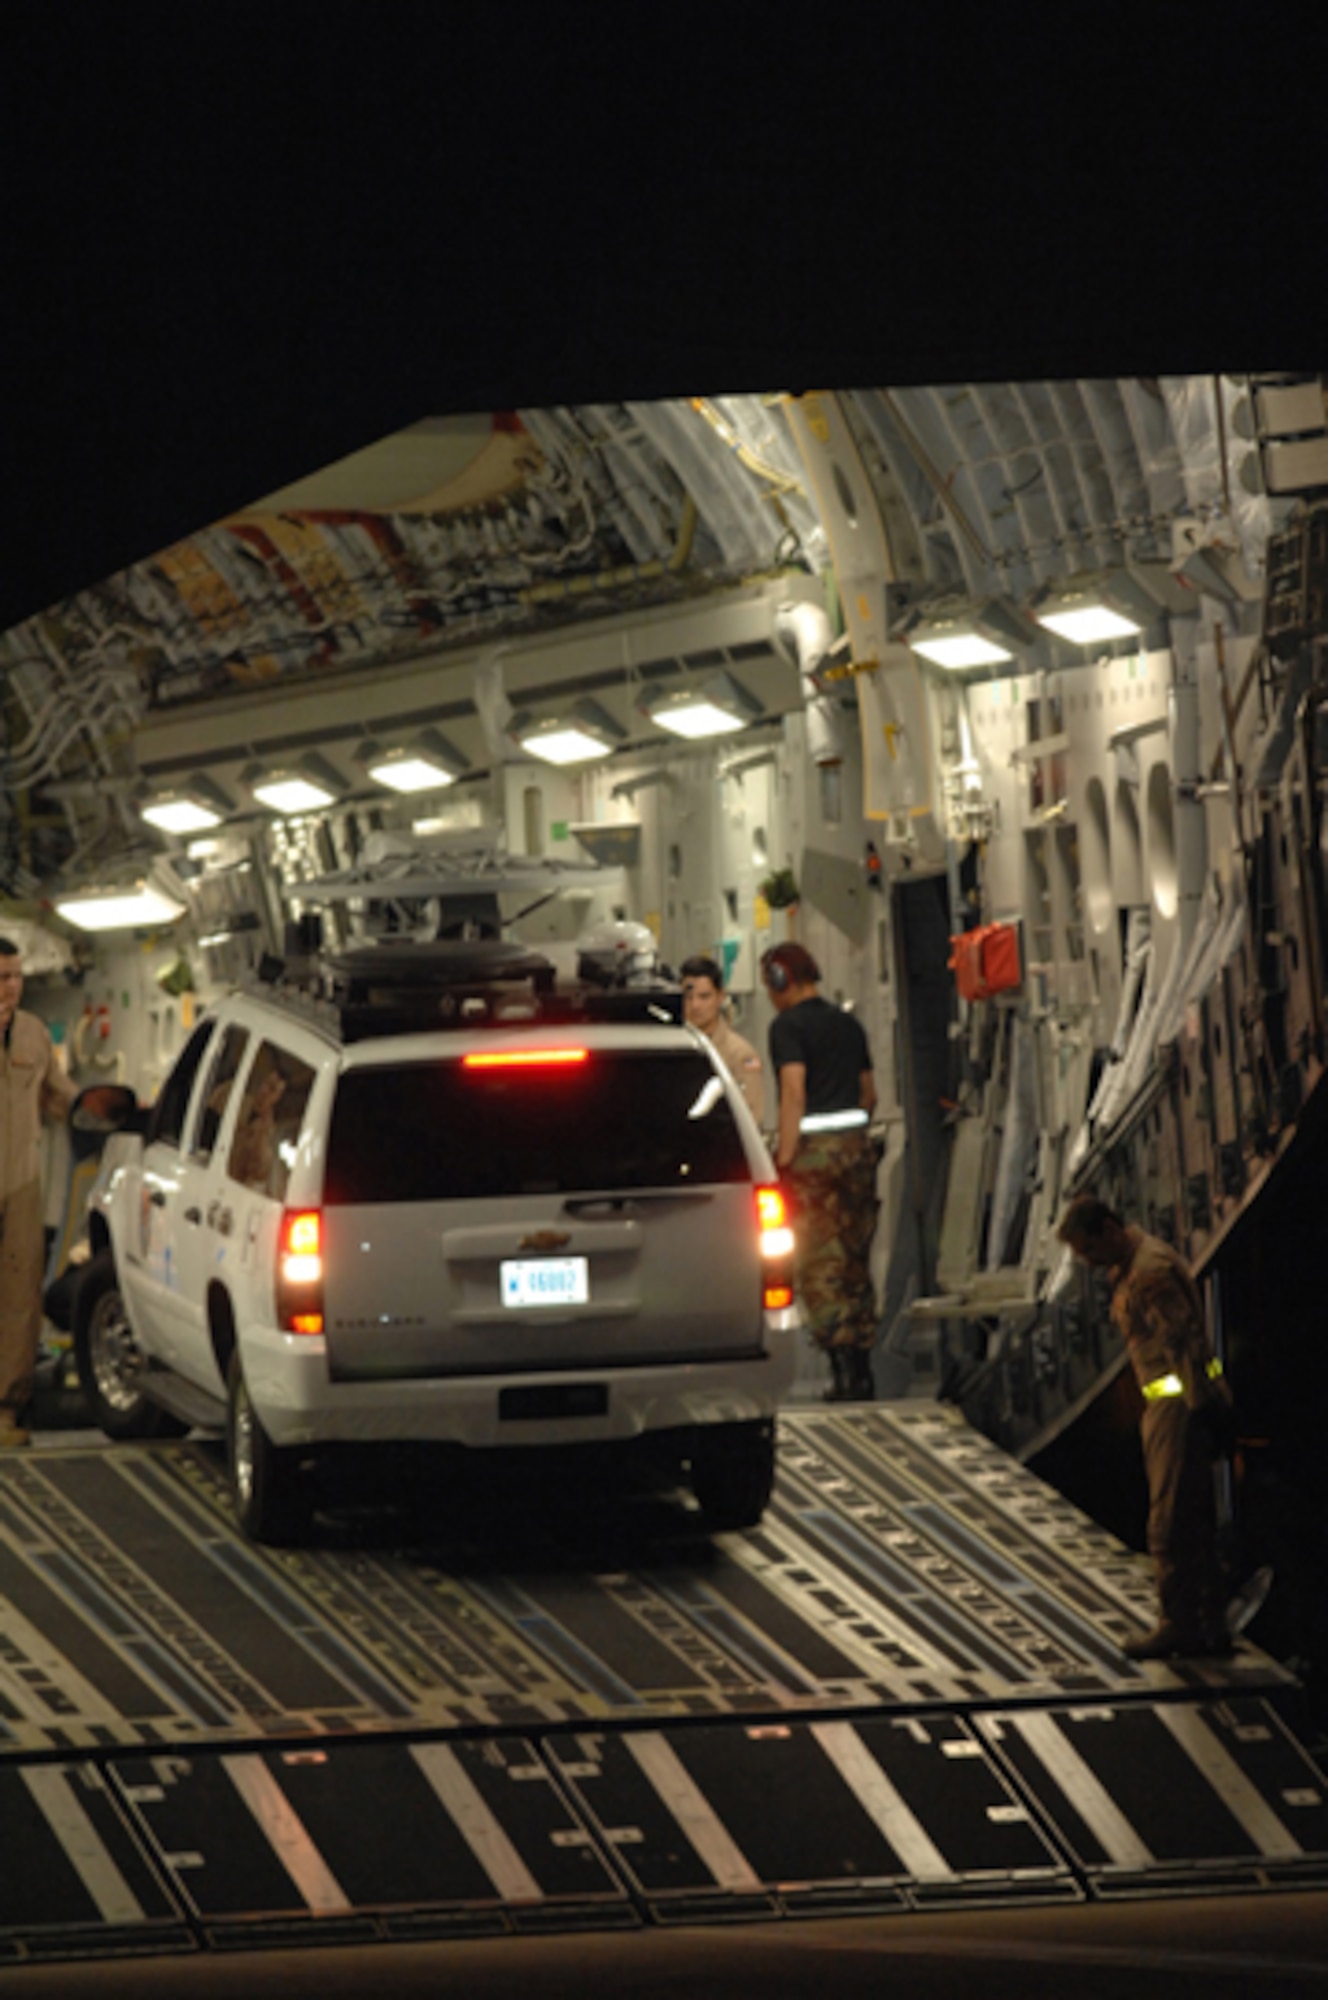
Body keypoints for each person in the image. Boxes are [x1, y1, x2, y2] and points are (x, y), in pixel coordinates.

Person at [1057, 1194, 1235, 1660]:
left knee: (1169, 1521)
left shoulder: (1149, 1273)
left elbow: (1184, 1343)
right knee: (1196, 1519)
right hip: (1177, 1404)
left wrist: (1201, 1407)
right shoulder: (1138, 1262)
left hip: (1176, 1408)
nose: (1091, 1264)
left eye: (1090, 1251)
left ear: (1110, 1231)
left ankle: (1178, 1624)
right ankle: (1210, 1623)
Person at [761, 941, 879, 1401]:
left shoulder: (786, 1028)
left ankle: (842, 1370)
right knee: (854, 1257)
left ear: (778, 980)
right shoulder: (848, 1024)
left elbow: (794, 1093)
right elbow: (869, 1095)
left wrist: (785, 1160)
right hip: (857, 1153)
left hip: (815, 1160)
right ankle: (864, 1368)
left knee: (818, 1262)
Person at [0, 936, 77, 1447]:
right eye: (1, 978)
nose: (10, 987)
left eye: (15, 977)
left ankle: (8, 1410)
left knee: (20, 1298)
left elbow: (59, 1098)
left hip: (19, 1183)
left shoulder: (32, 1035)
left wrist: (107, 1111)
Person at [680, 954, 765, 1125]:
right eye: (688, 997)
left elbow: (752, 1113)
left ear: (720, 997)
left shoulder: (739, 1053)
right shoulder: (673, 1047)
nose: (695, 1005)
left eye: (704, 997)